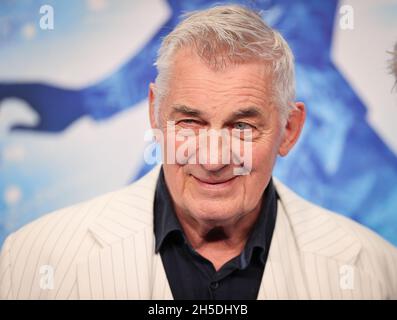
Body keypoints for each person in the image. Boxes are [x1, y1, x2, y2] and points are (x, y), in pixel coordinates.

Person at [1, 5, 396, 300]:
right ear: (155, 112)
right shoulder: (33, 258)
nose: (212, 159)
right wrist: (88, 101)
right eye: (189, 122)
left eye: (242, 126)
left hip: (341, 154)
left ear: (289, 130)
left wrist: (90, 101)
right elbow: (193, 36)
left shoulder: (380, 270)